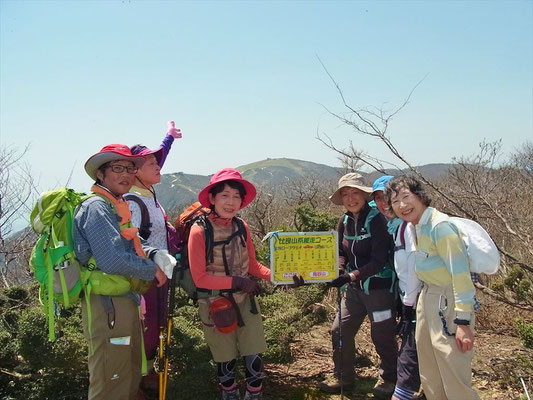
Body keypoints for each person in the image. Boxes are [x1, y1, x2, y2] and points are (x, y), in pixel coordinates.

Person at [74, 144, 174, 400]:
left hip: (122, 300)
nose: (126, 174)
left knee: (128, 373)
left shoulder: (116, 205)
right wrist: (152, 270)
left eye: (130, 168)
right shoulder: (96, 207)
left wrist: (153, 254)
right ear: (100, 174)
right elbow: (112, 259)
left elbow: (132, 244)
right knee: (110, 376)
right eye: (117, 168)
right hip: (107, 305)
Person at [385, 175, 480, 400]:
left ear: (420, 196)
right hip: (428, 298)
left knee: (453, 372)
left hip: (447, 301)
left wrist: (463, 322)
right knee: (430, 373)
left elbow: (461, 276)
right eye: (395, 201)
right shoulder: (417, 227)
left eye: (406, 197)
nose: (402, 205)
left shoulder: (441, 227)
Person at [188, 168, 271, 400]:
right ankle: (230, 394)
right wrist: (238, 281)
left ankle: (254, 394)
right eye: (224, 195)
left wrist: (280, 276)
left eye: (236, 196)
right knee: (225, 357)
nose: (231, 201)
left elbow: (253, 265)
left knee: (253, 351)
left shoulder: (242, 227)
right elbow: (200, 278)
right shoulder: (199, 230)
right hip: (215, 303)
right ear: (212, 199)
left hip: (245, 301)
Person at [322, 173, 398, 399]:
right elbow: (340, 251)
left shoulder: (377, 220)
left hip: (379, 287)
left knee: (382, 334)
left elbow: (378, 260)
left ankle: (390, 378)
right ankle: (343, 376)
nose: (351, 198)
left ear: (364, 195)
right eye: (346, 193)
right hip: (354, 291)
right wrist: (338, 269)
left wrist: (350, 276)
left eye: (355, 192)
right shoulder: (344, 221)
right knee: (340, 330)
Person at [126, 121, 182, 394]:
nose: (157, 165)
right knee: (145, 328)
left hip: (160, 275)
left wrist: (168, 138)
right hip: (145, 276)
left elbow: (160, 156)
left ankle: (149, 372)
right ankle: (137, 381)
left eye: (156, 162)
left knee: (157, 324)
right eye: (150, 163)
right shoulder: (132, 200)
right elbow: (134, 239)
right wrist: (153, 266)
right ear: (134, 171)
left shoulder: (147, 192)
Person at [372, 176, 423, 400]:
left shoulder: (408, 226)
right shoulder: (390, 224)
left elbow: (413, 268)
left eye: (388, 198)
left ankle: (405, 391)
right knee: (418, 346)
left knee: (411, 349)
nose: (383, 203)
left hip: (419, 296)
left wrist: (408, 305)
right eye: (379, 199)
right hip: (404, 294)